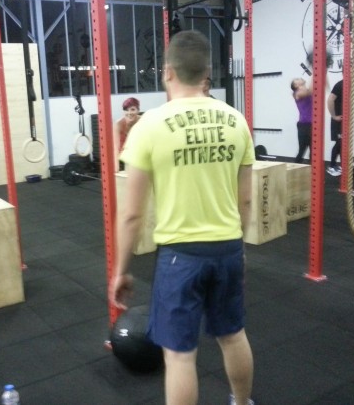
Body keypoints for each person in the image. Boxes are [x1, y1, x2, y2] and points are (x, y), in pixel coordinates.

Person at [109, 30, 255, 405]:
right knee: (233, 335)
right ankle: (242, 402)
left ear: (168, 72)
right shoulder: (236, 121)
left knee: (179, 355)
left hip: (180, 257)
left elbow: (132, 215)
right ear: (206, 73)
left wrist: (121, 271)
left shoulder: (148, 127)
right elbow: (245, 200)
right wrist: (237, 246)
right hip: (226, 247)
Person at [113, 97, 141, 172]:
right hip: (124, 150)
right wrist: (116, 167)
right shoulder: (118, 124)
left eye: (132, 109)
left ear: (138, 110)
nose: (129, 113)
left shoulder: (143, 121)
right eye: (126, 110)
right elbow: (115, 147)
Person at [290, 77, 312, 163]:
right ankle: (294, 169)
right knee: (302, 150)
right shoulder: (297, 93)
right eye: (297, 79)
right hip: (304, 126)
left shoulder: (307, 90)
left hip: (313, 124)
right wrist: (314, 74)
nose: (299, 78)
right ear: (296, 85)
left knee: (314, 151)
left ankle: (312, 170)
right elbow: (311, 90)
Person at [326, 79, 343, 176]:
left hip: (343, 120)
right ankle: (332, 166)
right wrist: (334, 116)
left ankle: (341, 165)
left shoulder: (348, 84)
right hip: (338, 120)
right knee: (339, 142)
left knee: (342, 143)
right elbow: (330, 99)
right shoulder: (340, 84)